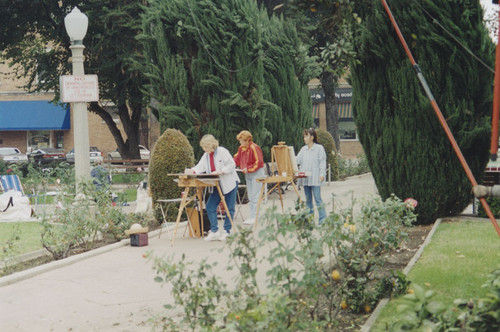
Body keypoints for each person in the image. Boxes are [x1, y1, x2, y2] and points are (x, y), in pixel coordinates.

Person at [185, 134, 239, 241]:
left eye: (206, 147)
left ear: (212, 145)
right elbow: (200, 167)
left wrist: (222, 171)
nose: (205, 149)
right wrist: (192, 170)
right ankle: (214, 230)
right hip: (216, 184)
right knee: (210, 206)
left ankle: (227, 231)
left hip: (229, 182)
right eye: (204, 147)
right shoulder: (206, 155)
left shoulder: (222, 151)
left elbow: (232, 164)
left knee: (229, 207)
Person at [295, 128, 327, 224]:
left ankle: (323, 220)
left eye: (306, 136)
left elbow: (322, 162)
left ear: (312, 137)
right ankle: (310, 220)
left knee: (318, 199)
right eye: (304, 136)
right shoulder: (303, 149)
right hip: (305, 179)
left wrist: (322, 174)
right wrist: (290, 158)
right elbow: (298, 160)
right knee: (308, 200)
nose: (304, 138)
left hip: (316, 178)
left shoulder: (319, 148)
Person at [233, 130, 265, 225]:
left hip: (257, 173)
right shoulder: (241, 148)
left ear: (247, 140)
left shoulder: (254, 148)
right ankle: (252, 216)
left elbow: (259, 162)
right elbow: (237, 158)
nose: (240, 142)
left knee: (255, 196)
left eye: (242, 140)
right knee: (251, 196)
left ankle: (255, 217)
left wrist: (248, 169)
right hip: (248, 173)